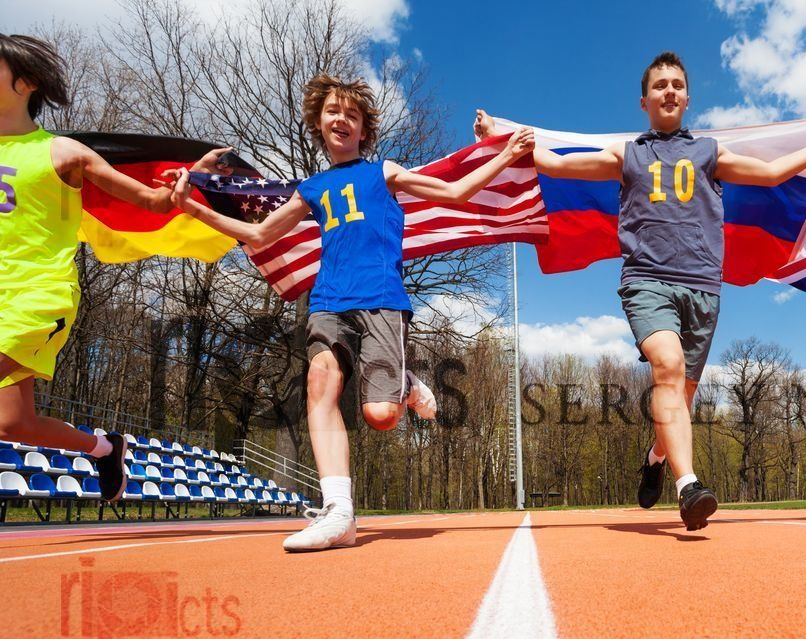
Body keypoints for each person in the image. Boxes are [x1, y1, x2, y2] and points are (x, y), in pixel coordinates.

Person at [475, 51, 806, 530]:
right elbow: (554, 162)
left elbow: (773, 173)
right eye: (660, 85)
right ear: (644, 101)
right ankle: (689, 486)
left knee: (680, 395)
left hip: (702, 287)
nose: (669, 91)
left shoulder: (710, 153)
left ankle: (656, 458)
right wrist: (498, 137)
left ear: (688, 98)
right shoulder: (627, 154)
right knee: (668, 368)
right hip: (646, 280)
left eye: (677, 84)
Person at [170, 74, 534, 551]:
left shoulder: (384, 172)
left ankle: (404, 385)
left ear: (364, 129)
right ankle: (339, 512)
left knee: (380, 415)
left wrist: (504, 156)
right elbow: (258, 235)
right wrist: (192, 208)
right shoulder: (310, 188)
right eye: (333, 112)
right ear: (319, 123)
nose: (341, 119)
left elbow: (455, 193)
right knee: (319, 383)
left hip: (381, 298)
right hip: (328, 301)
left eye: (352, 114)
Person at [0, 34, 228, 502]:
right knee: (13, 423)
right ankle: (105, 449)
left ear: (27, 81)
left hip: (38, 294)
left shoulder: (63, 152)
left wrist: (192, 178)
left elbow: (152, 201)